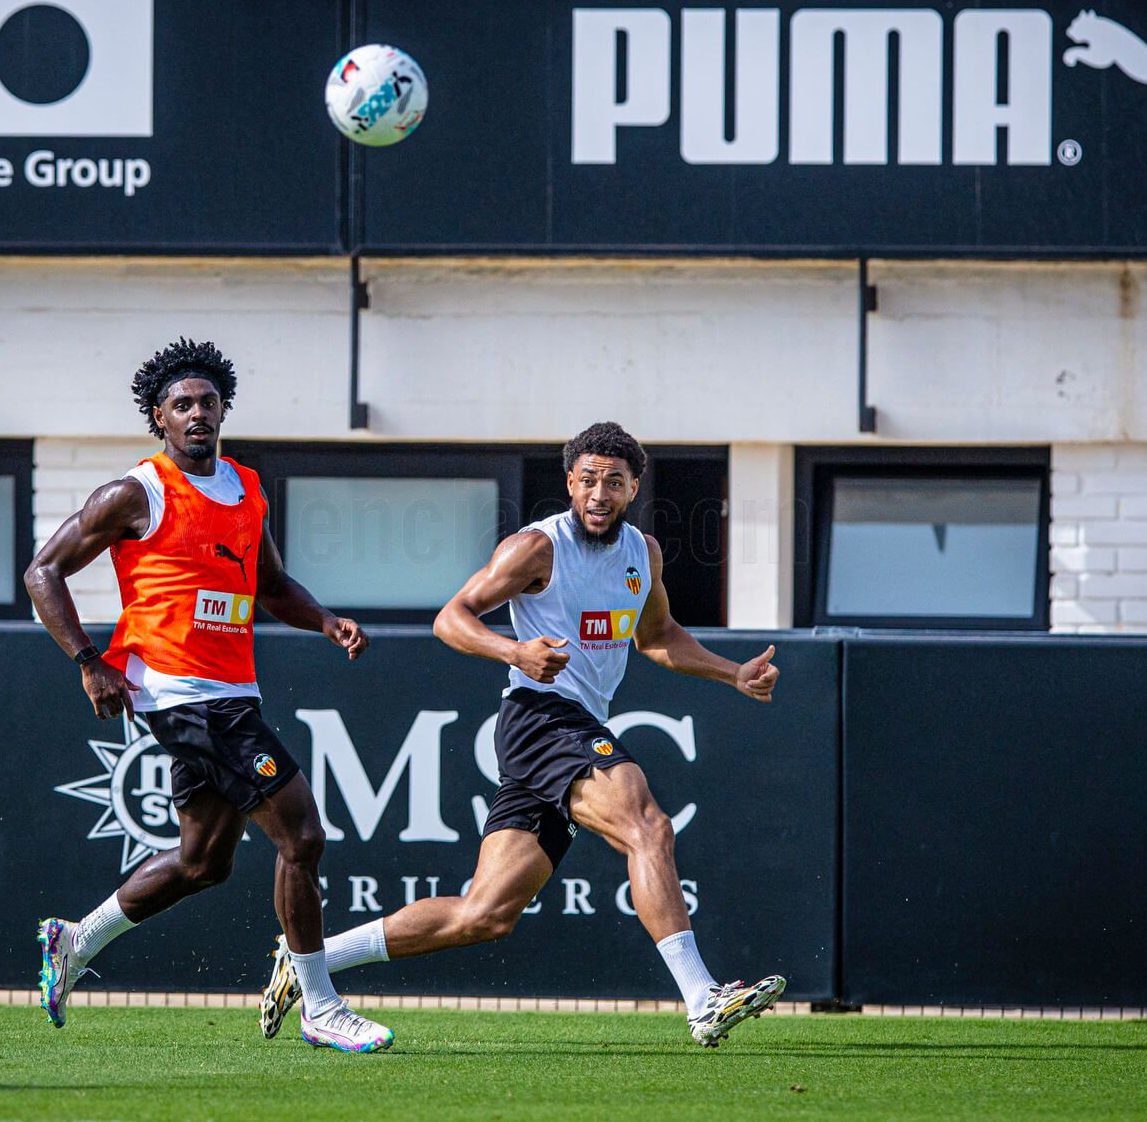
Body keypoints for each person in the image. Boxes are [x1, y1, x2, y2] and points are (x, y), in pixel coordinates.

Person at [259, 422, 785, 1047]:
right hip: (541, 718)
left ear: (634, 488)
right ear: (569, 483)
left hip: (571, 726)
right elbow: (449, 619)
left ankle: (308, 959)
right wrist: (515, 652)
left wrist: (734, 673)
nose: (598, 493)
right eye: (587, 480)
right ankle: (703, 999)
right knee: (649, 826)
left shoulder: (643, 554)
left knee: (484, 915)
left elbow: (657, 637)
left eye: (613, 482)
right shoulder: (537, 548)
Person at [24, 337, 394, 1054]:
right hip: (181, 693)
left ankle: (75, 940)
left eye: (208, 402)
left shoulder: (246, 488)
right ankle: (320, 1005)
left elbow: (271, 587)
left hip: (231, 692)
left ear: (223, 411)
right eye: (181, 404)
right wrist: (88, 661)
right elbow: (44, 571)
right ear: (158, 418)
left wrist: (323, 620)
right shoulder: (137, 492)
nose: (197, 414)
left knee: (204, 862)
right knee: (303, 835)